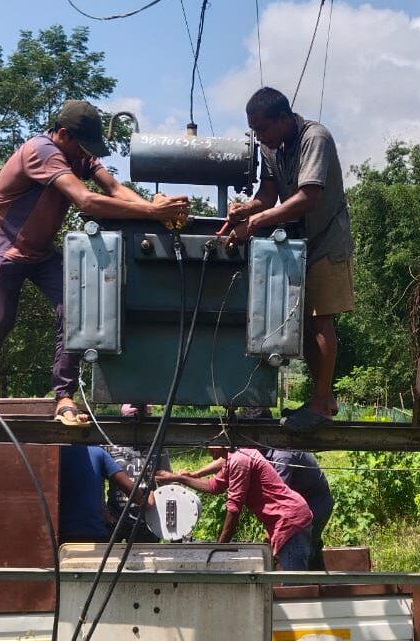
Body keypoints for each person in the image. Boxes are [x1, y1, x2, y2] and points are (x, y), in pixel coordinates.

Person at [0, 100, 190, 427]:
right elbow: (85, 200)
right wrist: (151, 212)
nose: (86, 154)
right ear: (63, 134)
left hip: (40, 252)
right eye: (82, 146)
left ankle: (64, 397)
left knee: (75, 308)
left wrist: (157, 213)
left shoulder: (79, 154)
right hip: (3, 247)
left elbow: (114, 188)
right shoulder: (42, 151)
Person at [225, 87, 354, 433]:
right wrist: (246, 209)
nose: (259, 137)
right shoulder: (272, 147)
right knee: (306, 325)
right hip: (299, 243)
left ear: (283, 119)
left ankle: (322, 402)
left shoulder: (315, 138)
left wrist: (256, 222)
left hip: (328, 240)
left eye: (263, 128)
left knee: (321, 319)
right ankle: (321, 400)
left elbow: (308, 197)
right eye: (254, 130)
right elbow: (268, 195)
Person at [156, 445, 313, 570]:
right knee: (286, 578)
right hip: (285, 519)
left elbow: (234, 509)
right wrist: (178, 478)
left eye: (210, 444)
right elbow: (213, 486)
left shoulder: (239, 461)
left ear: (223, 442)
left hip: (289, 520)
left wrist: (218, 549)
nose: (207, 448)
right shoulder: (233, 458)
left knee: (292, 584)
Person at [59, 444, 154, 544]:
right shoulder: (97, 452)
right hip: (92, 529)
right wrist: (144, 502)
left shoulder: (57, 451)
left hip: (61, 529)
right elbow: (128, 487)